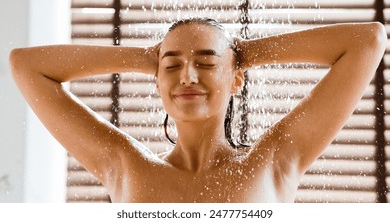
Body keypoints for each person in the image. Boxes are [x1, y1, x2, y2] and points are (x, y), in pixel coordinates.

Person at [9, 17, 386, 203]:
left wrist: (242, 54)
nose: (187, 76)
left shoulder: (275, 159)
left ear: (237, 80)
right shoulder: (123, 164)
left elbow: (368, 41)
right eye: (172, 66)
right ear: (157, 79)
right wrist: (145, 58)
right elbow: (25, 65)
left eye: (206, 63)